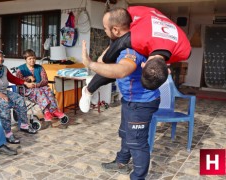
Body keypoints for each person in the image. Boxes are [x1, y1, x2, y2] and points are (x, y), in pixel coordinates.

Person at [81, 8, 161, 180]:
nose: (104, 31)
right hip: (130, 99)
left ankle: (138, 177)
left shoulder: (131, 50)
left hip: (141, 103)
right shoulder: (121, 44)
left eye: (105, 28)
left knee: (137, 143)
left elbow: (122, 70)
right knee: (126, 133)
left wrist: (89, 63)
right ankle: (121, 162)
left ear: (116, 30)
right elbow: (106, 60)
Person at [79, 6, 191, 113]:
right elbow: (117, 46)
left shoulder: (185, 50)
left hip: (153, 20)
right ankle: (89, 90)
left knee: (122, 67)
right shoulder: (136, 38)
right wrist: (99, 61)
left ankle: (90, 87)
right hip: (140, 14)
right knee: (108, 61)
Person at [0, 49, 37, 145]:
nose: (0, 59)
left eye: (2, 56)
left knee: (20, 99)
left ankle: (24, 125)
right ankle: (7, 133)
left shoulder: (3, 68)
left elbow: (12, 78)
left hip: (3, 92)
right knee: (4, 104)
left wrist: (25, 83)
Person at [15, 49, 67, 123]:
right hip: (26, 90)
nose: (32, 60)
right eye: (30, 59)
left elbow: (45, 80)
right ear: (25, 59)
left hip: (39, 87)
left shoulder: (40, 67)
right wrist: (28, 78)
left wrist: (37, 85)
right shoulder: (20, 69)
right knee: (39, 91)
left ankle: (53, 110)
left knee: (48, 90)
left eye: (34, 58)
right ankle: (46, 111)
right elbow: (18, 80)